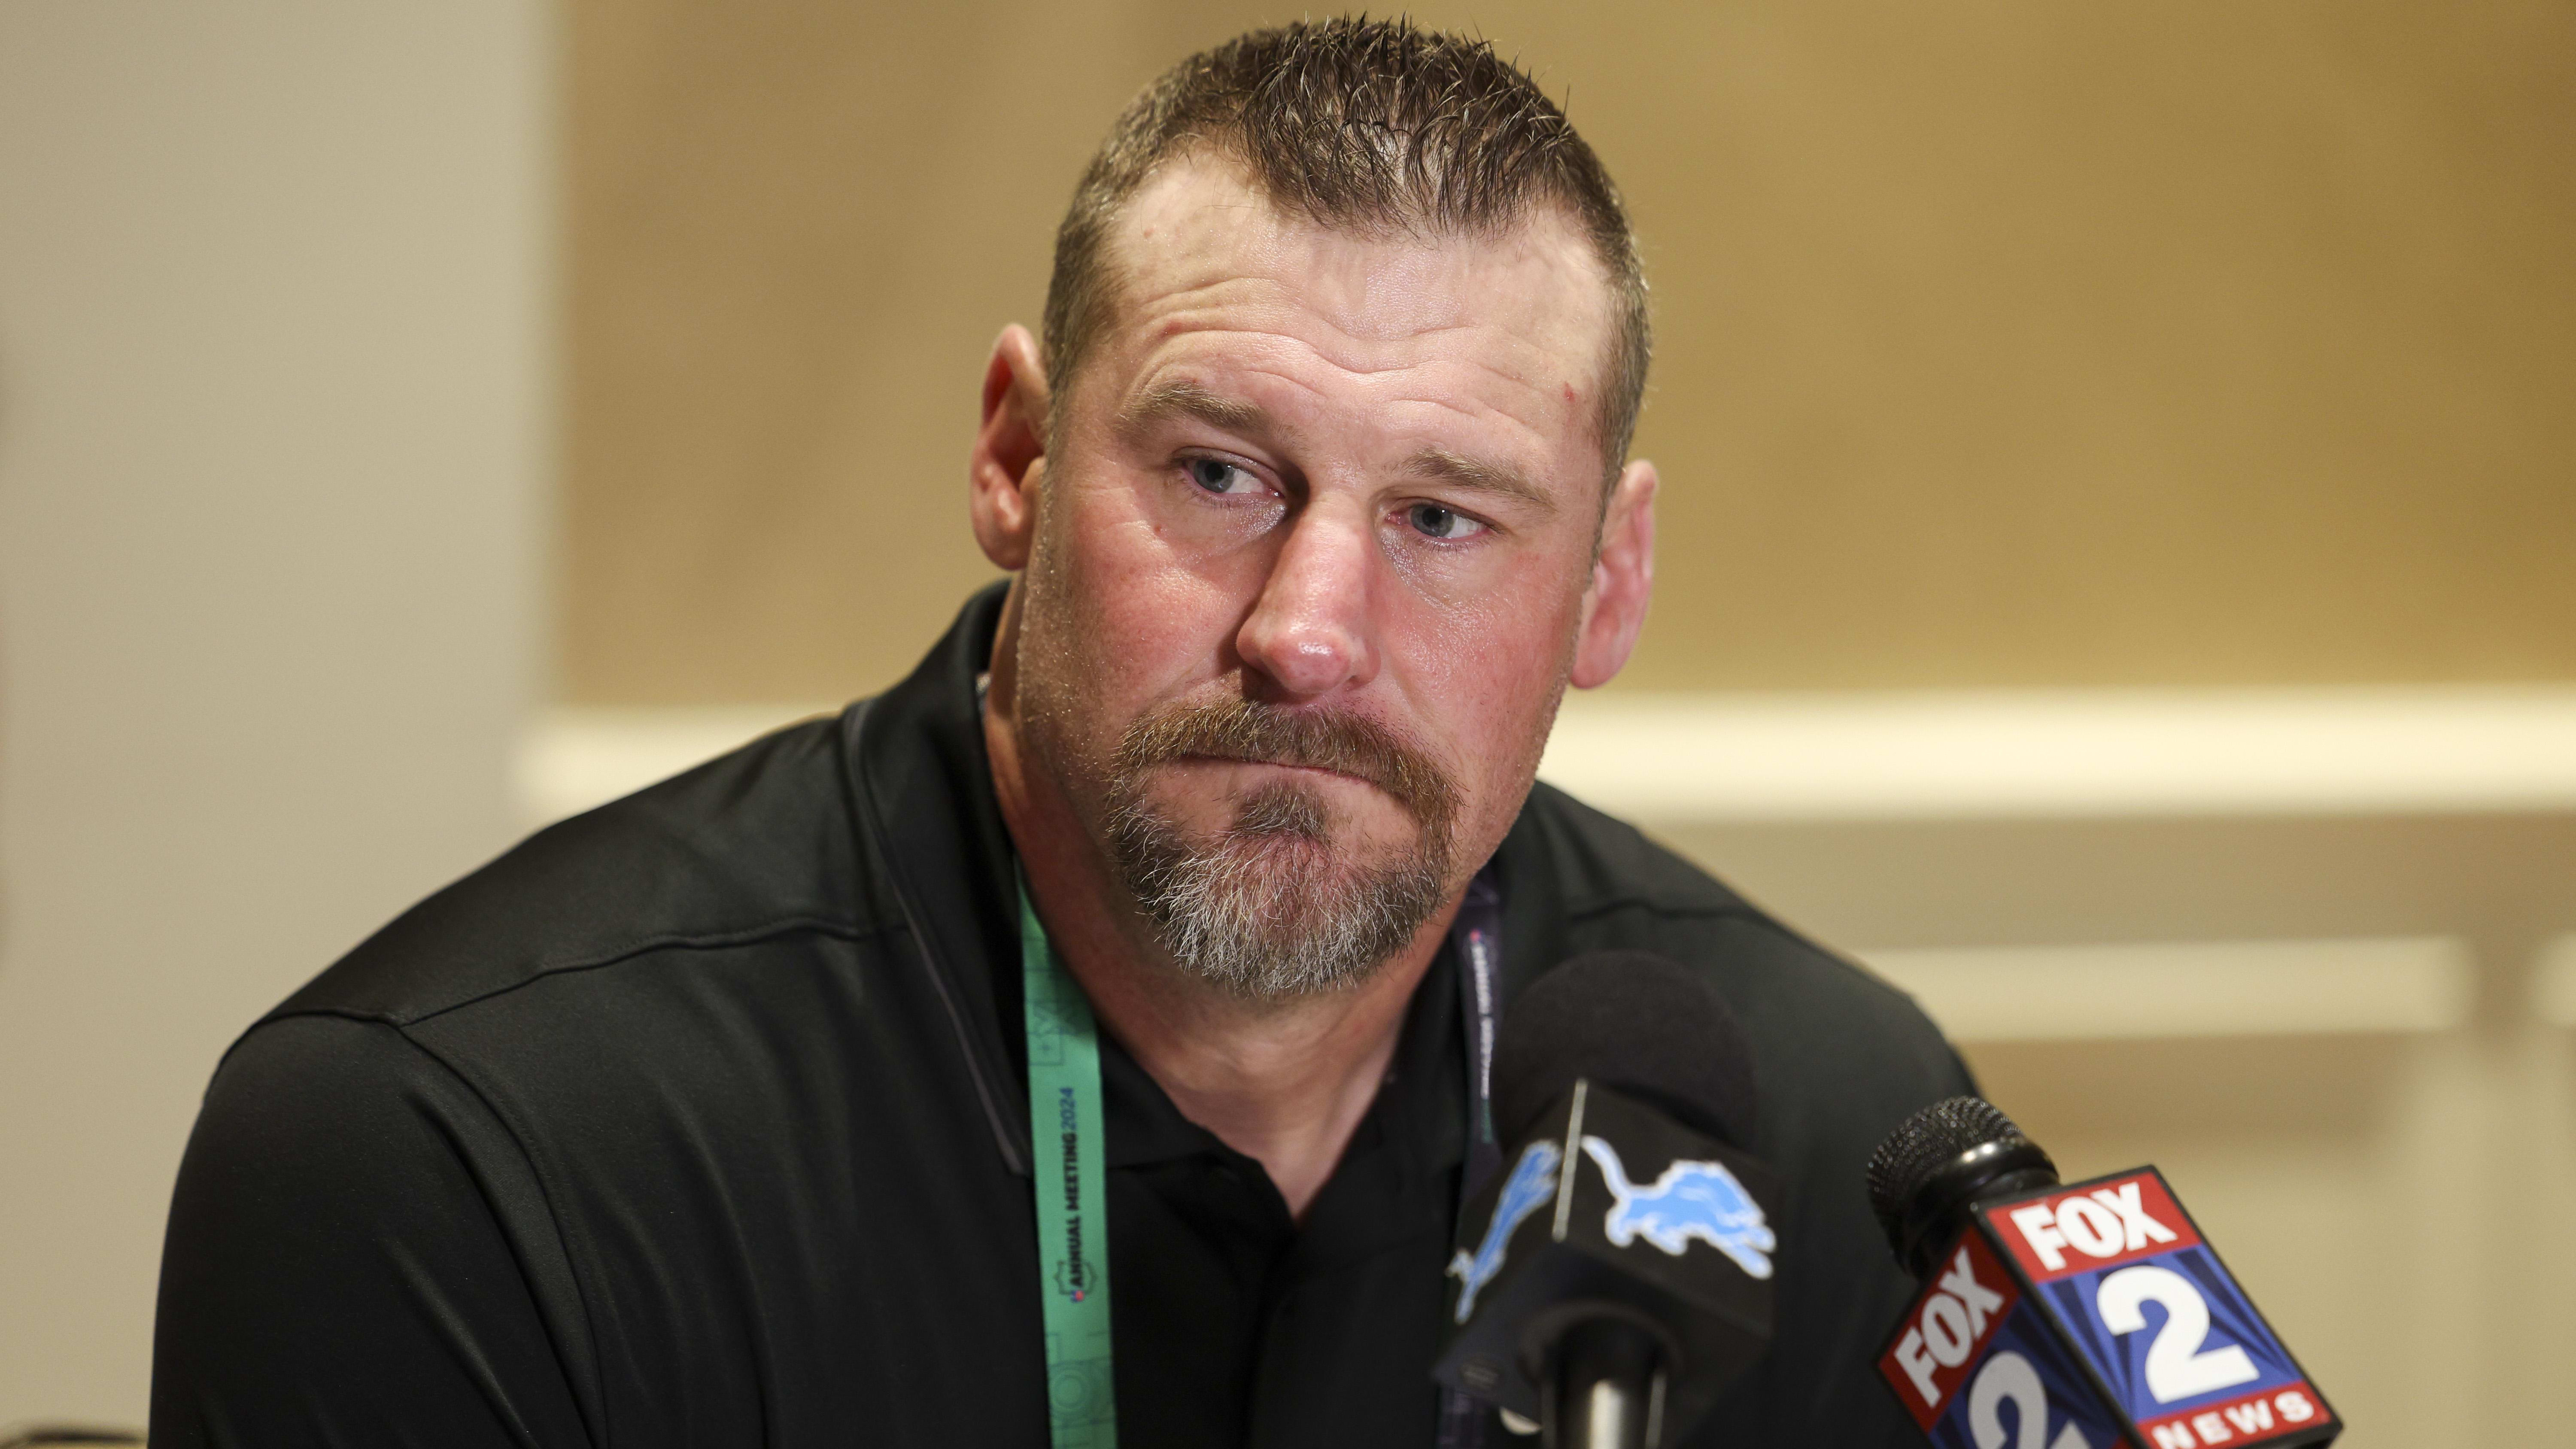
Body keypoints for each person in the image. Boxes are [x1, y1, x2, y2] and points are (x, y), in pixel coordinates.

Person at [151, 19, 1971, 1449]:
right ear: (1015, 459)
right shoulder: (467, 1162)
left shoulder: (1821, 1135)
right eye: (1220, 471)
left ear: (1606, 585)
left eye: (1446, 517)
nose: (1309, 636)